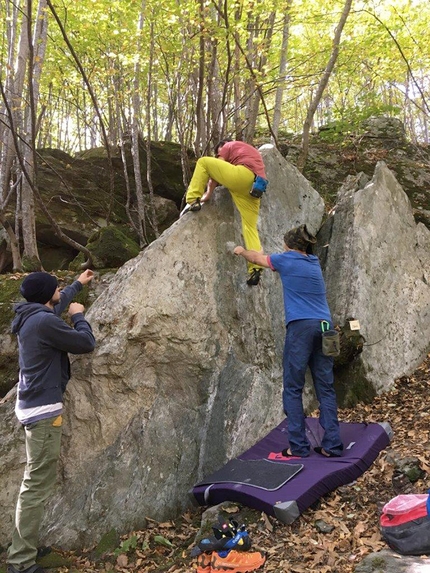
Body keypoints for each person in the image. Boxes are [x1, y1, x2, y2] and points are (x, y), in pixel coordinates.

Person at [7, 270, 96, 573]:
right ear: (46, 294)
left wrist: (78, 285)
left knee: (34, 483)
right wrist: (80, 316)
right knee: (35, 487)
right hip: (43, 412)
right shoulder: (44, 321)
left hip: (32, 406)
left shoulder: (32, 316)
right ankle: (20, 560)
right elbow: (85, 343)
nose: (61, 290)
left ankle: (24, 545)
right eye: (57, 286)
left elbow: (57, 305)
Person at [234, 224, 343, 458]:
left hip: (301, 327)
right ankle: (332, 445)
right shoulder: (313, 263)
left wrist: (241, 251)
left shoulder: (286, 260)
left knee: (293, 387)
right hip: (325, 327)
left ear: (290, 245)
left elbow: (258, 258)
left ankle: (299, 446)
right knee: (325, 386)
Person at [181, 139, 267, 286]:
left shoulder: (228, 146)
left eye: (218, 152)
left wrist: (207, 195)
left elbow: (214, 173)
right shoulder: (250, 150)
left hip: (241, 176)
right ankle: (256, 268)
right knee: (250, 227)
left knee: (203, 162)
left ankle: (192, 199)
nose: (218, 155)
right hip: (256, 187)